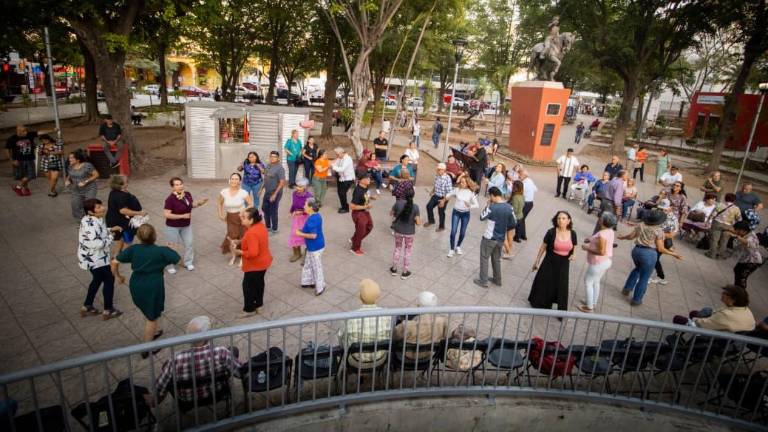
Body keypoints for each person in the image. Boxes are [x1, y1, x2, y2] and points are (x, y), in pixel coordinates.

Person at [113, 224, 180, 357]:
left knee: (147, 310)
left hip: (136, 284)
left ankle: (152, 332)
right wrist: (172, 249)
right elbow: (178, 259)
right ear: (154, 236)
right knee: (152, 317)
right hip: (153, 287)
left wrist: (118, 276)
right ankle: (147, 348)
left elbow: (115, 261)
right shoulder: (162, 251)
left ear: (138, 237)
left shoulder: (133, 249)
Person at [153, 316, 242, 406]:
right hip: (218, 393)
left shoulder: (175, 360)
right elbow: (241, 372)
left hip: (187, 401)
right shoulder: (221, 353)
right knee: (233, 350)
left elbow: (159, 388)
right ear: (208, 336)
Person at [618, 209, 682, 306]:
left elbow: (631, 236)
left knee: (637, 269)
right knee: (644, 278)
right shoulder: (658, 231)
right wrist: (674, 254)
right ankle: (636, 300)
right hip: (649, 254)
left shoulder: (641, 225)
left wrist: (622, 237)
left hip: (636, 251)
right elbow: (660, 249)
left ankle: (627, 289)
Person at [78, 198, 124, 320]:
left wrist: (110, 229)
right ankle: (108, 310)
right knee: (109, 280)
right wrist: (111, 236)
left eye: (101, 205)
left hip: (96, 258)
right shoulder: (90, 225)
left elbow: (100, 232)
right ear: (91, 212)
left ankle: (87, 306)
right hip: (95, 259)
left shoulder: (93, 219)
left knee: (97, 280)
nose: (102, 208)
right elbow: (97, 243)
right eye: (98, 207)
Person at [528, 211, 578, 312]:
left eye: (563, 218)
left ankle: (561, 311)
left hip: (564, 263)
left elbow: (574, 247)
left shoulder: (573, 233)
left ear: (568, 221)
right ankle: (540, 303)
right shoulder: (551, 232)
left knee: (561, 285)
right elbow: (543, 247)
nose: (561, 220)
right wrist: (537, 261)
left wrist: (574, 255)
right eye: (559, 218)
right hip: (550, 260)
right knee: (545, 282)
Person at [340, 279, 392, 369]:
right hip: (380, 359)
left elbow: (342, 337)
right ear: (377, 297)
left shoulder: (351, 318)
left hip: (356, 360)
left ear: (360, 297)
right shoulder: (387, 316)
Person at [231, 208, 272, 317]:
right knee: (259, 284)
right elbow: (253, 241)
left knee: (248, 286)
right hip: (264, 262)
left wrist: (239, 251)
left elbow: (253, 253)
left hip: (255, 265)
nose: (241, 219)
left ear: (251, 220)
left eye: (244, 217)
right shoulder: (260, 226)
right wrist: (239, 241)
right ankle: (259, 305)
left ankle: (249, 309)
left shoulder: (251, 233)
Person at [474, 187, 516, 288]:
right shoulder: (509, 207)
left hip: (489, 238)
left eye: (490, 196)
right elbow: (513, 222)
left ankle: (483, 281)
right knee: (496, 259)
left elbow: (482, 217)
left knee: (484, 258)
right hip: (501, 239)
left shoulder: (492, 207)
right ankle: (497, 280)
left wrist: (488, 205)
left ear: (492, 195)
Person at [164, 177, 208, 273]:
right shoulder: (170, 199)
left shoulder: (187, 194)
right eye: (176, 185)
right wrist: (182, 216)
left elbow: (190, 205)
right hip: (172, 226)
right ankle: (169, 265)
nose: (179, 186)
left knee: (189, 244)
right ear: (172, 187)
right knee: (172, 246)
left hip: (186, 225)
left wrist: (200, 203)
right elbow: (166, 214)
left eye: (180, 184)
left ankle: (188, 262)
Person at [672, 285, 755, 332]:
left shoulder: (726, 315)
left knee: (678, 319)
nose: (722, 294)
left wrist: (694, 320)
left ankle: (683, 333)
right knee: (701, 311)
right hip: (732, 341)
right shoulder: (746, 310)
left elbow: (704, 324)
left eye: (725, 293)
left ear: (732, 299)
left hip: (714, 338)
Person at [393, 291, 448, 360]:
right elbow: (447, 337)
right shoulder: (443, 322)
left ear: (418, 306)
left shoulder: (407, 325)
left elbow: (394, 337)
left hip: (408, 356)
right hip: (428, 355)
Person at [579, 212, 616, 312]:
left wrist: (587, 248)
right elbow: (596, 237)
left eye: (600, 218)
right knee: (596, 281)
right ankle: (592, 302)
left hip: (598, 262)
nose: (599, 219)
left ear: (603, 221)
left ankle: (589, 306)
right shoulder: (609, 231)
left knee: (588, 282)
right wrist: (589, 239)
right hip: (606, 261)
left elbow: (601, 251)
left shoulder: (602, 235)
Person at [217, 173, 253, 265]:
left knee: (243, 237)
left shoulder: (243, 192)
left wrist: (243, 210)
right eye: (232, 178)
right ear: (229, 180)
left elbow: (251, 204)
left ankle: (242, 257)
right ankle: (233, 256)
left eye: (236, 179)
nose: (234, 181)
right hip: (230, 217)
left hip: (242, 217)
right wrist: (220, 214)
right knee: (232, 238)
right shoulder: (224, 192)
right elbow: (219, 203)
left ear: (239, 181)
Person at [106, 175, 146, 255]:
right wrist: (139, 213)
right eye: (125, 180)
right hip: (120, 221)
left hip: (114, 218)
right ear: (120, 184)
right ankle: (123, 255)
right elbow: (123, 211)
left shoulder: (116, 191)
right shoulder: (120, 195)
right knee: (127, 239)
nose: (127, 179)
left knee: (119, 239)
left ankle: (117, 255)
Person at [294, 198, 325, 295]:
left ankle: (320, 287)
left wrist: (300, 234)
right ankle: (307, 281)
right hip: (315, 246)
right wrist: (300, 212)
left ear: (311, 208)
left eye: (305, 205)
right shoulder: (316, 215)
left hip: (315, 247)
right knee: (308, 263)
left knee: (316, 267)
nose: (304, 206)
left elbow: (313, 235)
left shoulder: (312, 219)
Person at [445, 174, 479, 257]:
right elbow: (449, 194)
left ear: (467, 183)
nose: (461, 183)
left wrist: (470, 205)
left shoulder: (471, 193)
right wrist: (447, 197)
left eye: (463, 182)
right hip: (456, 212)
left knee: (462, 232)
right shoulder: (457, 190)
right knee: (453, 231)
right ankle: (452, 249)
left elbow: (477, 205)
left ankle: (458, 246)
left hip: (465, 214)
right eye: (461, 182)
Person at [391, 188, 421, 279]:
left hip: (398, 231)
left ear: (403, 194)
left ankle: (394, 269)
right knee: (407, 251)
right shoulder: (415, 207)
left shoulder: (398, 203)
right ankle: (405, 272)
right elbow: (418, 222)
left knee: (397, 248)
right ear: (413, 196)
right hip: (409, 232)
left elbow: (391, 213)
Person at [649, 199, 679, 286]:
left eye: (664, 209)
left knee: (654, 258)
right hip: (653, 239)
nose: (661, 211)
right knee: (654, 258)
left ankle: (658, 277)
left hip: (662, 241)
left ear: (670, 208)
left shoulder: (673, 220)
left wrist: (657, 234)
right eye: (660, 209)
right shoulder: (657, 213)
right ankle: (660, 277)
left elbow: (671, 235)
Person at [706, 193, 743, 259]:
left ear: (725, 198)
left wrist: (708, 221)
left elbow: (713, 214)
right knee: (724, 241)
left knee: (714, 240)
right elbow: (739, 219)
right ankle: (720, 255)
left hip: (717, 224)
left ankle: (712, 254)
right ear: (734, 200)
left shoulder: (720, 205)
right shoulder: (736, 208)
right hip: (728, 226)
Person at [65, 149, 99, 220]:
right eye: (69, 157)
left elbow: (96, 175)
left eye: (71, 158)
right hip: (76, 189)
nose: (69, 159)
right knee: (75, 206)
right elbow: (70, 174)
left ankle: (91, 220)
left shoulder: (87, 165)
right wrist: (68, 180)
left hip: (89, 189)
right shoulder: (70, 166)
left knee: (89, 205)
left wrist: (85, 181)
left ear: (78, 160)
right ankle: (82, 221)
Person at [6, 124, 39, 196]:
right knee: (22, 176)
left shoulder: (29, 135)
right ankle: (23, 189)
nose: (26, 132)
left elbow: (40, 132)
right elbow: (7, 150)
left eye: (26, 130)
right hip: (18, 160)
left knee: (31, 175)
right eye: (24, 131)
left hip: (30, 159)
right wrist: (12, 161)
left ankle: (20, 188)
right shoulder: (11, 139)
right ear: (18, 131)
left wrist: (53, 130)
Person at [731, 220, 763, 290]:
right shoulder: (745, 234)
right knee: (737, 270)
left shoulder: (751, 236)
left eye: (738, 230)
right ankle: (736, 289)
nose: (737, 232)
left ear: (743, 230)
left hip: (753, 261)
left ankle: (741, 293)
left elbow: (748, 243)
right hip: (746, 259)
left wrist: (737, 237)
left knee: (742, 276)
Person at [288, 178, 312, 262]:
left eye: (300, 187)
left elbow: (311, 210)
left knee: (306, 236)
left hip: (306, 218)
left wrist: (301, 212)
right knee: (294, 235)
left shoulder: (309, 196)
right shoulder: (294, 193)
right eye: (297, 186)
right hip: (297, 218)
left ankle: (307, 255)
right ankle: (297, 253)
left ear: (305, 187)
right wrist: (291, 211)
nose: (297, 188)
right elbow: (293, 204)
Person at [262, 151, 286, 233]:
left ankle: (274, 229)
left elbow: (282, 182)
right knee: (265, 209)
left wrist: (275, 194)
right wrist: (261, 189)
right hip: (267, 192)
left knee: (273, 210)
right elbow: (265, 178)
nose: (272, 158)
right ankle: (268, 226)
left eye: (275, 156)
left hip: (275, 192)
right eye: (271, 156)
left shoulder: (280, 168)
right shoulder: (268, 166)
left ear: (278, 158)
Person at [424, 163, 453, 231]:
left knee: (441, 212)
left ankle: (442, 227)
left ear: (444, 170)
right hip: (436, 195)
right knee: (429, 206)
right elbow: (436, 184)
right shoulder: (437, 175)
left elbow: (450, 192)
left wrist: (443, 201)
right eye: (437, 169)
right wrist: (432, 191)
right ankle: (431, 221)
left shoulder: (447, 179)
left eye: (439, 169)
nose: (437, 171)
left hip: (444, 197)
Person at [350, 174, 374, 256]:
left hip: (365, 211)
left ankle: (355, 239)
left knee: (370, 226)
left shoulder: (366, 187)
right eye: (367, 178)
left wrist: (371, 197)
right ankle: (354, 248)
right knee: (361, 230)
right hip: (358, 213)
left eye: (369, 178)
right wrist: (366, 206)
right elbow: (352, 206)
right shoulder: (358, 191)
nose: (369, 179)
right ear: (361, 180)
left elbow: (365, 195)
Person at [332, 147, 356, 213]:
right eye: (336, 154)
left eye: (337, 154)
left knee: (342, 193)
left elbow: (342, 169)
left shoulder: (348, 159)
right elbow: (335, 164)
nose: (336, 156)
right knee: (340, 193)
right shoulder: (340, 158)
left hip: (348, 179)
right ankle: (344, 206)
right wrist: (333, 165)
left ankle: (346, 208)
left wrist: (332, 166)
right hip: (341, 178)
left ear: (342, 153)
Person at [515, 169, 537, 242]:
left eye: (520, 175)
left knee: (519, 219)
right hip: (530, 203)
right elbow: (535, 189)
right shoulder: (530, 181)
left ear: (524, 175)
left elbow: (519, 193)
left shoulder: (523, 184)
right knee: (522, 219)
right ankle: (523, 235)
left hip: (525, 203)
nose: (519, 176)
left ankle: (517, 237)